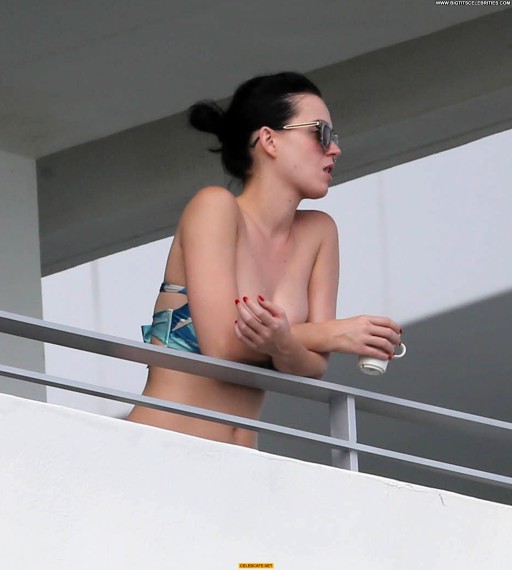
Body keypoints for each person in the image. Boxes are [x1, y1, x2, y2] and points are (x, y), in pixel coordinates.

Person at [128, 72, 402, 447]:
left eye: (334, 137)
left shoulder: (319, 232)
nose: (335, 149)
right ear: (269, 140)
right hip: (159, 449)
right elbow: (222, 345)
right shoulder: (214, 207)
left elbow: (313, 367)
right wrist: (333, 333)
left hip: (242, 462)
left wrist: (285, 342)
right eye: (320, 133)